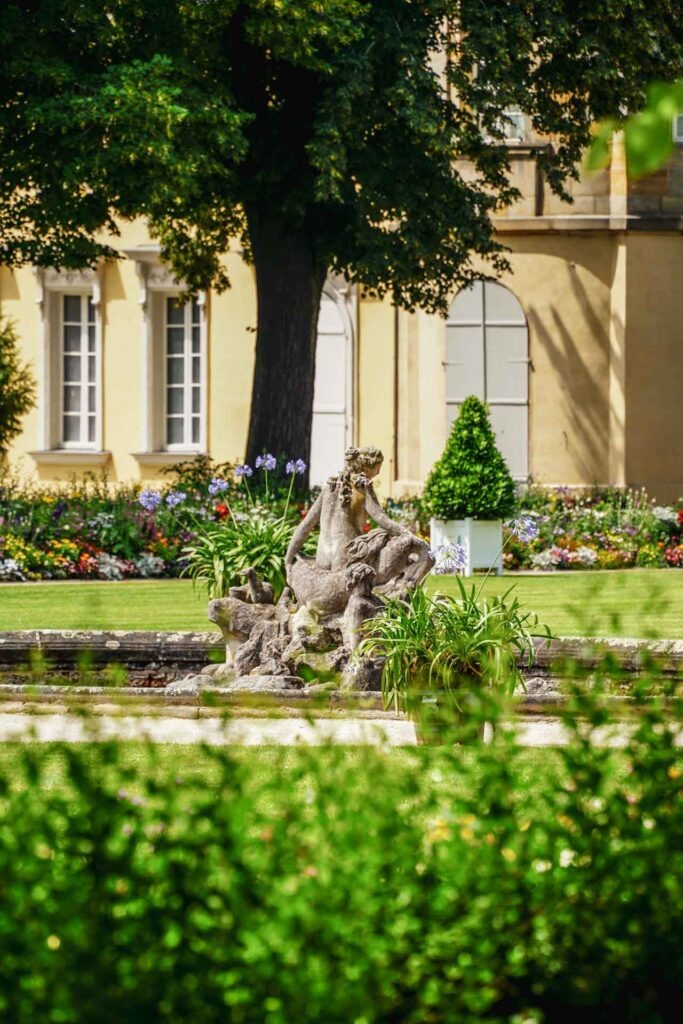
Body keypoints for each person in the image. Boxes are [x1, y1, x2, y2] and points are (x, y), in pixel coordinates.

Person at [285, 447, 434, 616]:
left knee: (379, 540)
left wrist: (288, 558)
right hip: (347, 557)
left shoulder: (329, 488)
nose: (379, 472)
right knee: (403, 545)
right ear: (370, 466)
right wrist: (408, 534)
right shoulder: (363, 487)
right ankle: (396, 599)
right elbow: (382, 519)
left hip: (322, 558)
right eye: (378, 467)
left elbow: (305, 526)